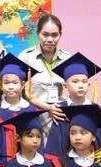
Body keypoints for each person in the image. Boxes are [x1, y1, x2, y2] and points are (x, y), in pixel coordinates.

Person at [17, 14, 73, 143]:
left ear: (60, 35)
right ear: (38, 34)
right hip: (33, 116)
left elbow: (72, 89)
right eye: (45, 34)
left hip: (58, 116)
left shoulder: (67, 58)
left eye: (54, 35)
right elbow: (20, 92)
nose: (50, 39)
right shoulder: (26, 57)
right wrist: (47, 107)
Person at [0, 54, 38, 161]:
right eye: (6, 83)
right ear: (1, 86)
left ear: (23, 85)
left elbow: (37, 139)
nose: (10, 87)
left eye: (15, 83)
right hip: (2, 165)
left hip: (26, 164)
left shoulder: (31, 110)